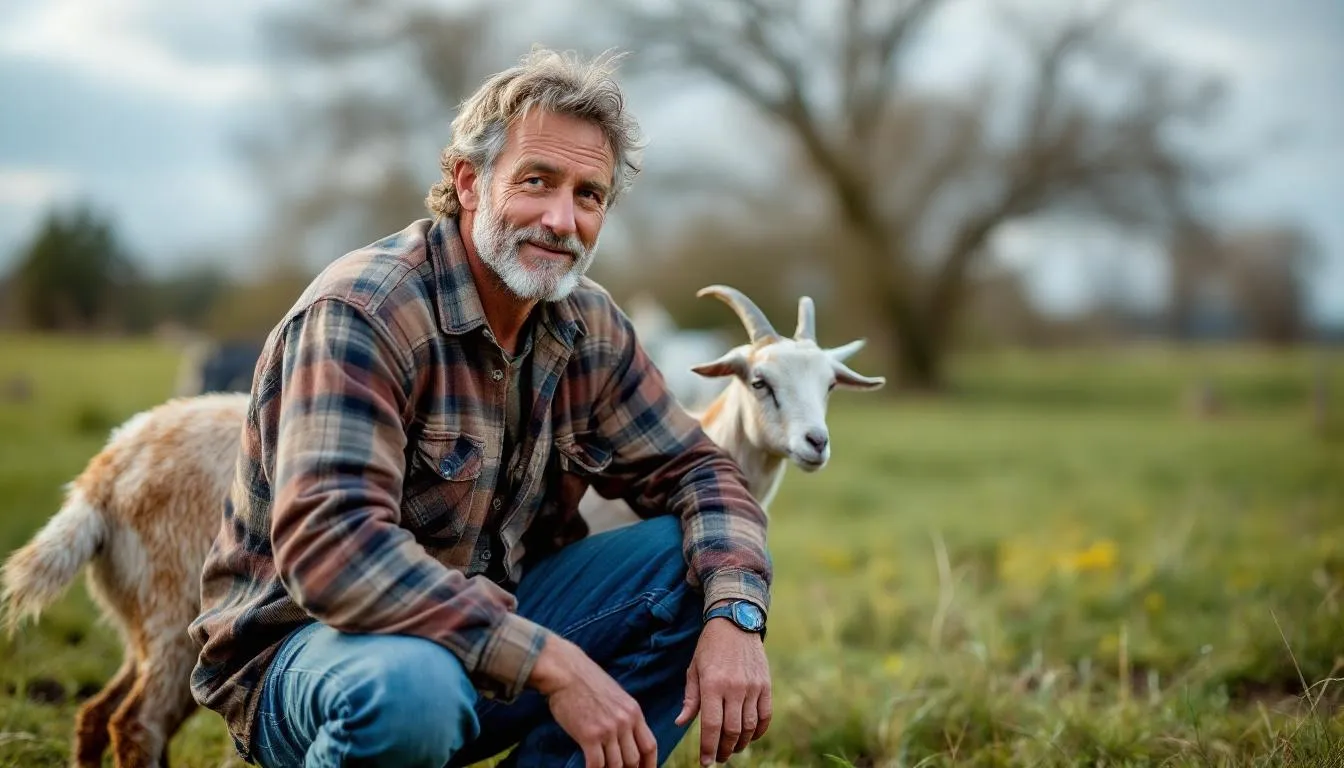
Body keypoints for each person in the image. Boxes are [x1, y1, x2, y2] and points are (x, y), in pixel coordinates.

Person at [187, 48, 774, 768]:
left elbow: (703, 474)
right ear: (469, 182)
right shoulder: (365, 314)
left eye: (589, 195)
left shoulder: (586, 324)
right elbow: (334, 550)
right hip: (314, 656)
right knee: (414, 691)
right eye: (538, 182)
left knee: (686, 566)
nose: (562, 220)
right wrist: (552, 662)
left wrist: (737, 615)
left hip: (490, 638)